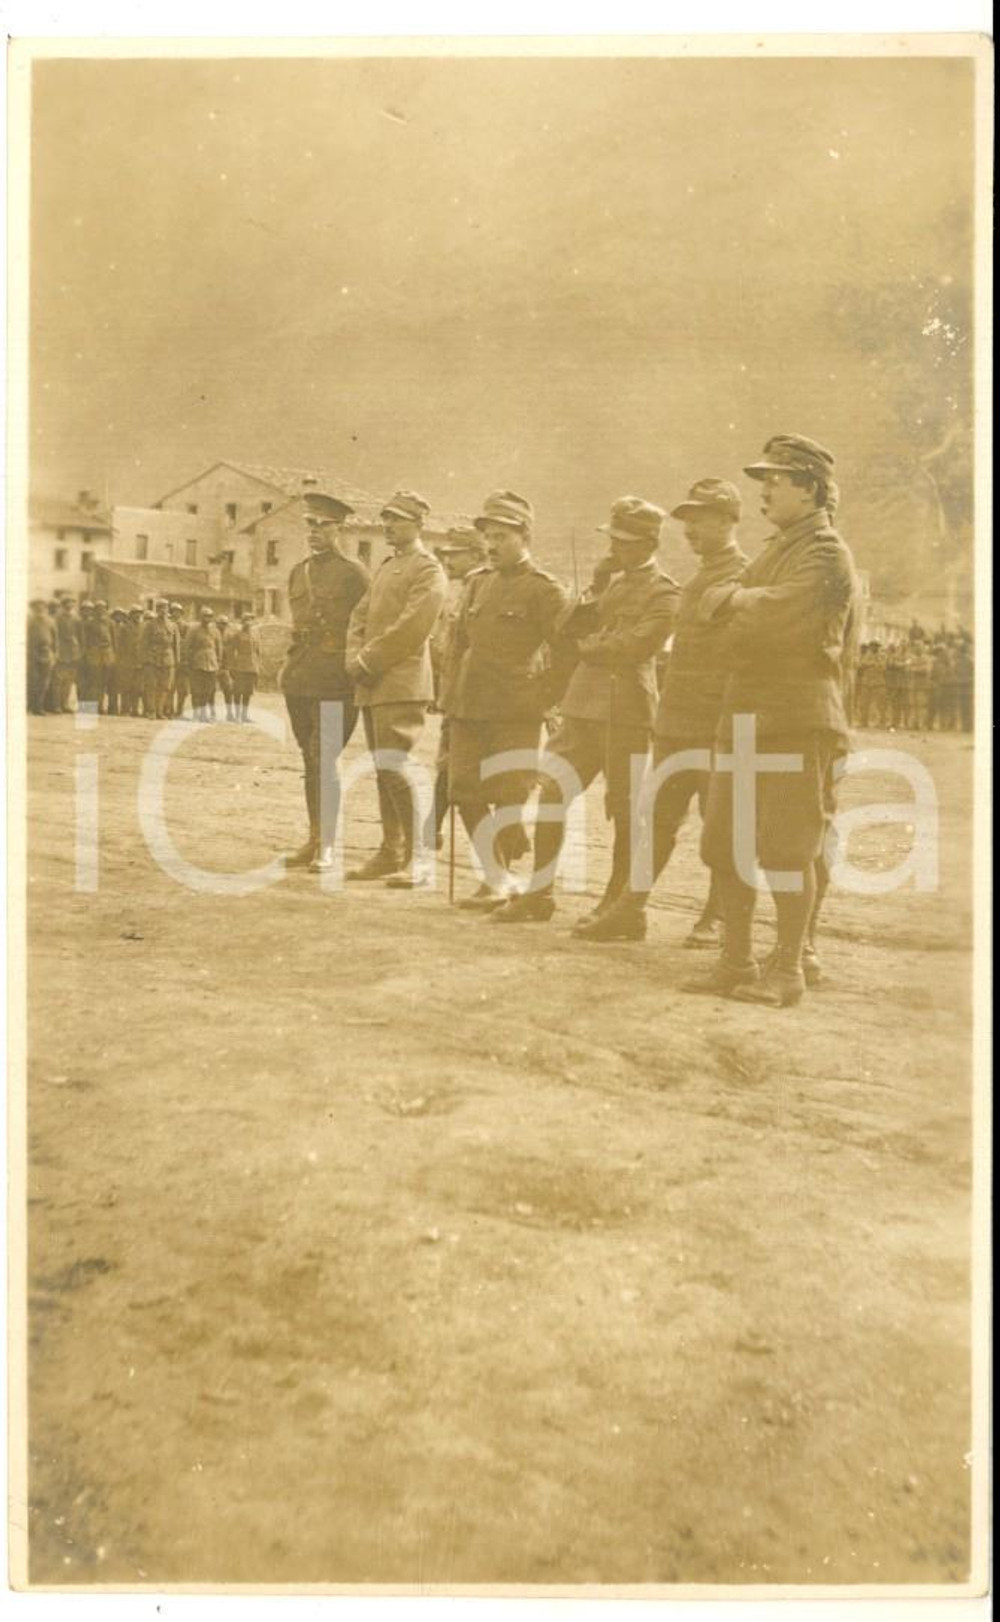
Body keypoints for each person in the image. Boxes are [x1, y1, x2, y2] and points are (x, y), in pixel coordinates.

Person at [688, 433, 860, 1009]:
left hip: (794, 717)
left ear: (808, 488)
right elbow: (714, 619)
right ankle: (735, 960)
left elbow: (774, 615)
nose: (763, 492)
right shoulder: (775, 552)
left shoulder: (826, 552)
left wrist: (736, 600)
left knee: (787, 849)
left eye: (775, 481)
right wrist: (741, 602)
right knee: (724, 843)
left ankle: (786, 968)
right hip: (745, 710)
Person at [574, 479, 747, 944]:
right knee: (657, 818)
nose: (690, 529)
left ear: (729, 521)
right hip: (676, 718)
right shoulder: (697, 579)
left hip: (717, 721)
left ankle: (717, 915)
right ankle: (630, 910)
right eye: (686, 521)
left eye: (701, 519)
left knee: (720, 823)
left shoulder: (745, 576)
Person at [493, 495, 679, 927]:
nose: (615, 548)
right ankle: (539, 894)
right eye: (613, 539)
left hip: (625, 711)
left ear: (649, 543)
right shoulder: (608, 583)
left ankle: (615, 902)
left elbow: (636, 646)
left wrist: (589, 647)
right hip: (581, 707)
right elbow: (563, 630)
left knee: (624, 810)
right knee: (552, 794)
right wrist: (595, 587)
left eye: (625, 541)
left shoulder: (665, 592)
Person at [444, 491, 567, 909]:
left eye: (502, 537)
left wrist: (544, 696)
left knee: (511, 793)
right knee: (463, 790)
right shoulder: (478, 582)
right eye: (489, 537)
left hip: (515, 710)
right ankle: (497, 876)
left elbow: (566, 652)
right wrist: (449, 699)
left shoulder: (544, 590)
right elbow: (459, 643)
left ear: (524, 537)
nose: (492, 545)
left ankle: (500, 878)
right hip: (468, 705)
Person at [345, 490, 447, 885]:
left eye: (397, 519)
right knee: (383, 768)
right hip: (373, 682)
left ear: (418, 524)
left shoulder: (428, 569)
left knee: (396, 766)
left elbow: (413, 626)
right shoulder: (387, 567)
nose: (387, 525)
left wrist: (367, 660)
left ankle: (419, 857)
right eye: (385, 518)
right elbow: (359, 615)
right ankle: (391, 850)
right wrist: (354, 657)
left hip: (402, 682)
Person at [280, 490, 370, 872]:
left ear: (340, 529)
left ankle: (328, 845)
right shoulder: (297, 572)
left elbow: (367, 625)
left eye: (323, 525)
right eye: (310, 524)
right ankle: (315, 837)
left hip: (336, 680)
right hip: (300, 677)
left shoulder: (355, 574)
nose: (314, 531)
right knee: (310, 757)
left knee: (324, 756)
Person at [425, 524, 490, 852]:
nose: (448, 560)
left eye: (456, 554)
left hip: (478, 695)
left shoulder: (483, 590)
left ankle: (497, 844)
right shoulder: (457, 591)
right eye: (446, 554)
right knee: (448, 761)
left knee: (461, 770)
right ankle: (431, 827)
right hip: (454, 692)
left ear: (477, 556)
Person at [140, 598, 180, 719]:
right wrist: (145, 659)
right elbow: (144, 643)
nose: (163, 610)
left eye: (165, 608)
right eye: (161, 608)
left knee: (165, 686)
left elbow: (176, 644)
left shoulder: (173, 625)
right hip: (152, 659)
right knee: (151, 686)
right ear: (157, 610)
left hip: (168, 659)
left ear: (168, 609)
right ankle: (151, 711)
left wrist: (176, 659)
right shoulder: (150, 625)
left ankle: (159, 711)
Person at [187, 606, 222, 722]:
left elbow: (219, 648)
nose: (207, 619)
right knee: (197, 690)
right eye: (205, 616)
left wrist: (218, 661)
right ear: (201, 617)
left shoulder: (215, 631)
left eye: (210, 616)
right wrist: (190, 662)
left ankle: (204, 714)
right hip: (197, 663)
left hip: (211, 664)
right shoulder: (193, 630)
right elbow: (188, 647)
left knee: (208, 690)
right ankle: (196, 714)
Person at [80, 599, 116, 714]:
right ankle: (89, 708)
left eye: (103, 608)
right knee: (93, 683)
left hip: (107, 656)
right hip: (93, 656)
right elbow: (85, 641)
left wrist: (113, 655)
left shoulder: (110, 623)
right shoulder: (89, 624)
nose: (101, 611)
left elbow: (114, 641)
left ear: (106, 610)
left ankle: (100, 707)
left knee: (103, 683)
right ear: (95, 610)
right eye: (98, 608)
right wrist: (87, 655)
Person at [227, 613, 261, 723]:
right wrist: (232, 666)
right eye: (246, 620)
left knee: (248, 692)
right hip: (240, 667)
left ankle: (244, 716)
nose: (248, 622)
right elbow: (231, 651)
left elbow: (258, 651)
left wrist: (258, 666)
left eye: (250, 620)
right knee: (238, 692)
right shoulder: (237, 635)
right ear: (242, 622)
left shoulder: (255, 634)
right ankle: (237, 716)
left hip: (251, 667)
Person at [53, 597, 82, 712]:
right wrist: (56, 651)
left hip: (73, 652)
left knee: (69, 681)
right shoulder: (57, 618)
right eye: (67, 603)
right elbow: (54, 636)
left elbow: (81, 637)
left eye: (72, 603)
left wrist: (79, 651)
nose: (70, 605)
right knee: (58, 680)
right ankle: (56, 705)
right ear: (63, 604)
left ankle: (65, 704)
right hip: (61, 652)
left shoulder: (76, 619)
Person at [27, 600, 56, 715]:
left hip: (47, 654)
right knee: (33, 681)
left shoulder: (50, 621)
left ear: (45, 609)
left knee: (44, 682)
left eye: (42, 607)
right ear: (33, 609)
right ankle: (31, 705)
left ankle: (39, 706)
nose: (40, 610)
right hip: (33, 654)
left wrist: (54, 654)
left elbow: (55, 639)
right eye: (37, 608)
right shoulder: (29, 622)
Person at [116, 606, 145, 716]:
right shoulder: (124, 628)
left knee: (137, 687)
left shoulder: (143, 627)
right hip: (126, 661)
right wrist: (121, 660)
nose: (138, 615)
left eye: (139, 613)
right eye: (135, 613)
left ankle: (135, 709)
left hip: (139, 662)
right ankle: (125, 709)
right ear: (131, 615)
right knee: (126, 686)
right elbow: (119, 646)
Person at [170, 602, 192, 718]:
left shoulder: (186, 626)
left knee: (182, 689)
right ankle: (168, 709)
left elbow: (188, 642)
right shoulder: (168, 624)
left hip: (183, 661)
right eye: (173, 611)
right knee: (169, 687)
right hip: (170, 660)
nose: (176, 614)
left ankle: (179, 710)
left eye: (178, 612)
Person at [215, 616, 236, 720]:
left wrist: (230, 666)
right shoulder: (212, 634)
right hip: (213, 665)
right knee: (210, 690)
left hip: (225, 666)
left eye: (225, 624)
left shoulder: (229, 636)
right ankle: (211, 713)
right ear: (217, 624)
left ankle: (229, 713)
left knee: (228, 690)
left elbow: (232, 651)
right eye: (221, 624)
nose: (223, 626)